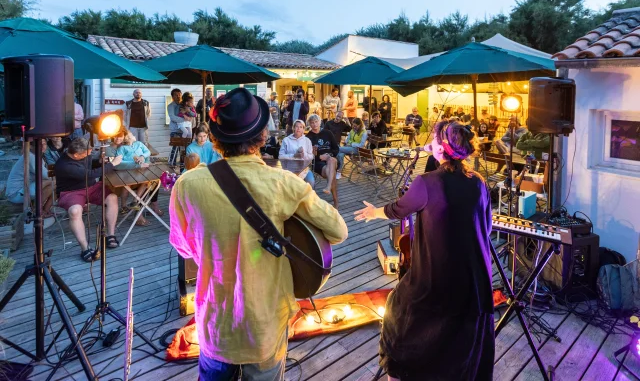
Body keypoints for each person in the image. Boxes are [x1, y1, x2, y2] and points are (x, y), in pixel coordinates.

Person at [169, 88, 347, 381]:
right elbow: (338, 231)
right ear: (262, 136)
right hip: (265, 323)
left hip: (215, 323)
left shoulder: (187, 185)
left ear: (215, 137)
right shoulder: (284, 183)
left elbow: (185, 248)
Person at [354, 120, 494, 380]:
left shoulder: (427, 182)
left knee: (399, 310)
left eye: (433, 137)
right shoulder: (478, 182)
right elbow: (487, 227)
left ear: (441, 148)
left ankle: (400, 373)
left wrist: (374, 212)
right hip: (475, 282)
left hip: (438, 277)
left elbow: (398, 209)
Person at [55, 137, 123, 261]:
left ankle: (110, 235)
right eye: (87, 153)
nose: (89, 155)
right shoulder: (64, 165)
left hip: (91, 187)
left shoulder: (83, 154)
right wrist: (112, 164)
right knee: (74, 211)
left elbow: (92, 165)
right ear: (76, 155)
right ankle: (85, 248)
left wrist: (102, 161)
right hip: (71, 192)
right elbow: (89, 174)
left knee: (112, 197)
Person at [6, 139, 54, 217]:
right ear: (31, 146)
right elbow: (48, 175)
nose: (42, 146)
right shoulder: (30, 157)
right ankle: (36, 211)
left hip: (26, 190)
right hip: (16, 194)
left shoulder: (39, 157)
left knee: (55, 183)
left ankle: (45, 210)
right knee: (53, 182)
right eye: (39, 144)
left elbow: (50, 173)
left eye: (44, 144)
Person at [306, 114, 339, 207]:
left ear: (320, 122)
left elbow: (336, 149)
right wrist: (320, 157)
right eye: (312, 123)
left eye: (316, 122)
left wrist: (329, 155)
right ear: (310, 124)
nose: (314, 124)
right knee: (331, 171)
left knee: (332, 160)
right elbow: (309, 155)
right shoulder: (308, 137)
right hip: (318, 162)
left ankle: (328, 187)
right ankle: (336, 201)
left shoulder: (328, 133)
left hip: (331, 158)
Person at [279, 119, 315, 186]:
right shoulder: (286, 140)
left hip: (304, 169)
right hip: (289, 169)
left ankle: (308, 196)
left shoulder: (307, 141)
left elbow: (311, 156)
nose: (298, 129)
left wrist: (304, 155)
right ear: (293, 128)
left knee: (311, 181)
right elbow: (281, 156)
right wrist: (294, 156)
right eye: (296, 126)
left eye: (301, 127)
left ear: (303, 129)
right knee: (290, 184)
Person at [168, 88, 184, 166]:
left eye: (179, 94)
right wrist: (185, 120)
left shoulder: (184, 105)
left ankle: (182, 166)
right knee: (175, 149)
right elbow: (173, 118)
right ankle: (172, 165)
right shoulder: (170, 106)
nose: (178, 96)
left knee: (183, 150)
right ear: (172, 97)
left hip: (184, 131)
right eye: (176, 95)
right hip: (175, 131)